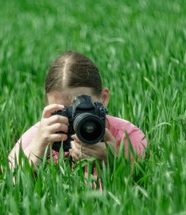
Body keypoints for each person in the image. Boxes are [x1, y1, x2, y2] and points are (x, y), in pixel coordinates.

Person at [8, 51, 147, 171]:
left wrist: (114, 163)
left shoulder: (127, 137)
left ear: (103, 99)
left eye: (82, 109)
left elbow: (145, 188)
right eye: (64, 112)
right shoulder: (40, 136)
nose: (75, 121)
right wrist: (35, 153)